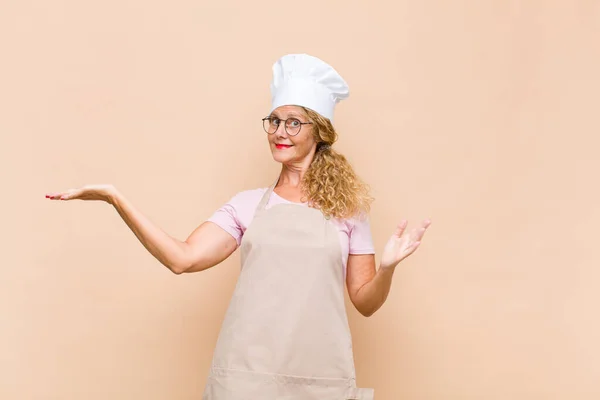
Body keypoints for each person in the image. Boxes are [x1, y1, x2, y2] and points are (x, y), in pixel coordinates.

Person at [46, 53, 431, 399]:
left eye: (294, 123)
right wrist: (117, 199)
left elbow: (365, 302)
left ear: (319, 131)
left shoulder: (348, 210)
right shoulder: (246, 206)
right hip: (245, 376)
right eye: (275, 121)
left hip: (320, 377)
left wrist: (387, 268)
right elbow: (183, 259)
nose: (280, 132)